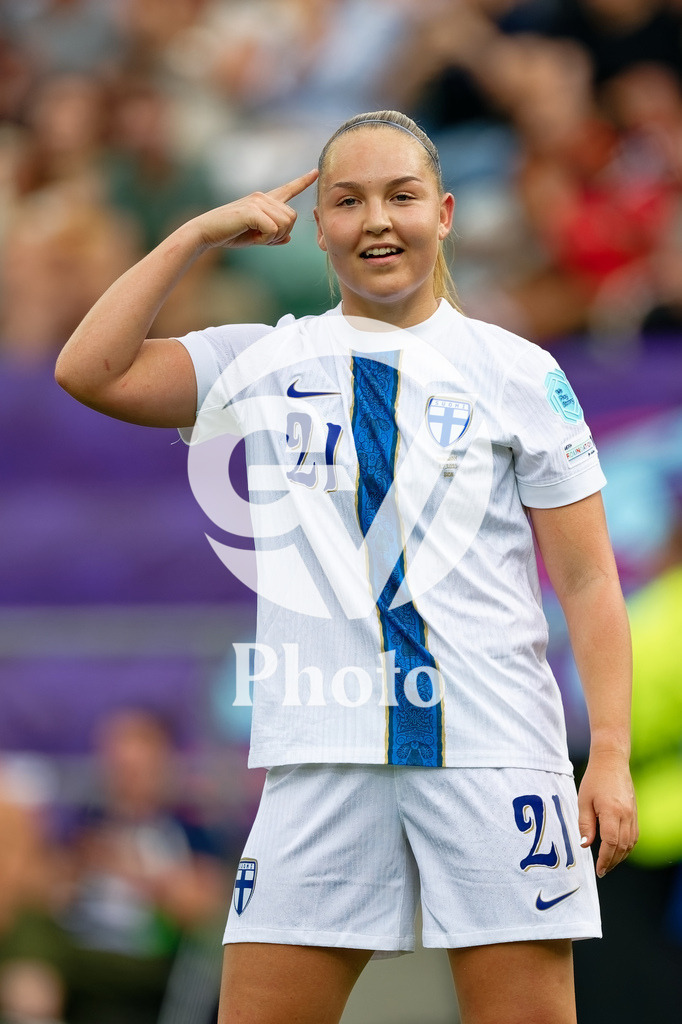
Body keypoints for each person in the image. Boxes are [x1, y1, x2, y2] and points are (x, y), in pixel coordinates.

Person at [55, 109, 638, 1024]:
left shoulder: (519, 372)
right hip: (320, 756)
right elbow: (89, 370)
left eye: (401, 197)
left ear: (443, 213)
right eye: (348, 201)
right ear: (316, 225)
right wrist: (200, 233)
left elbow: (591, 580)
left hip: (492, 754)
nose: (377, 221)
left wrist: (606, 755)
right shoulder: (264, 356)